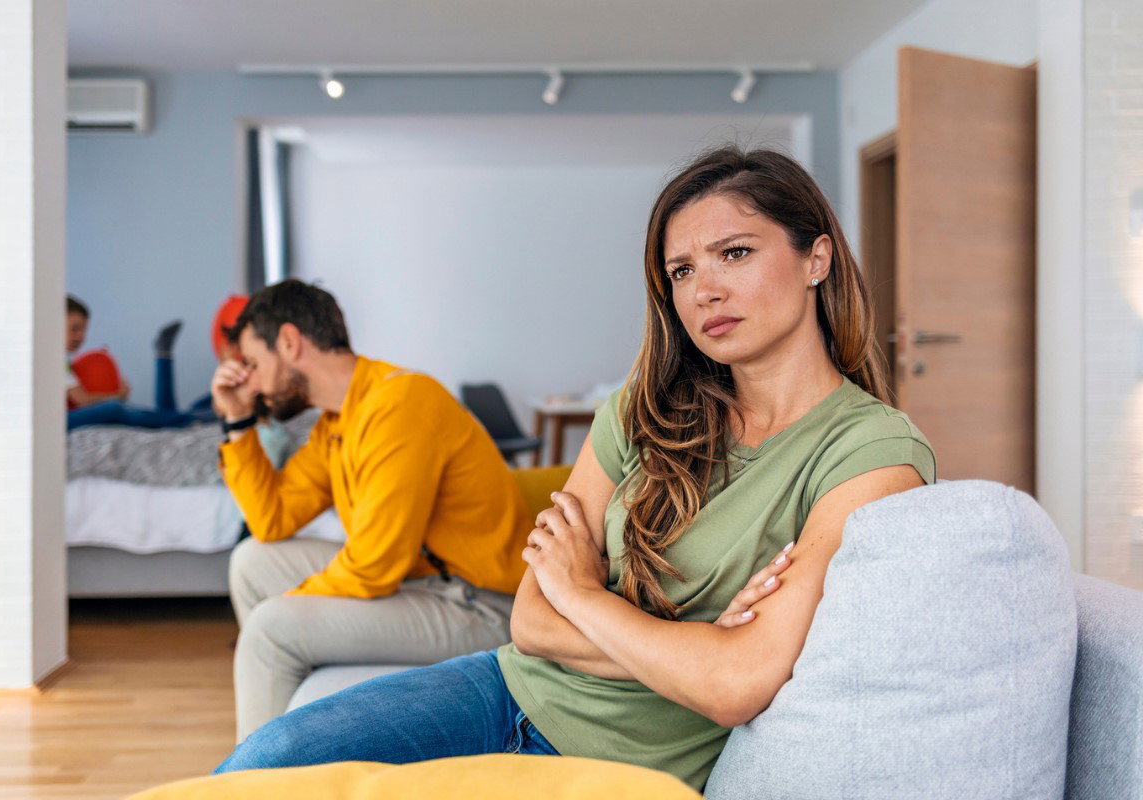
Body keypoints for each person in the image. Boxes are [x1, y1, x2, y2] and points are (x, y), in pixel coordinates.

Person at [213, 147, 936, 790]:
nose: (703, 290)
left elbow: (733, 684)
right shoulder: (639, 410)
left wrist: (585, 595)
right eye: (681, 270)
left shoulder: (870, 453)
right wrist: (692, 645)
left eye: (735, 253)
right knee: (260, 767)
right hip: (507, 686)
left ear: (818, 257)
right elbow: (531, 620)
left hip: (627, 760)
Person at [211, 279, 535, 741]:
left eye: (254, 364)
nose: (254, 383)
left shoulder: (399, 404)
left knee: (270, 629)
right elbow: (271, 520)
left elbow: (374, 566)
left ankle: (260, 778)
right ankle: (289, 739)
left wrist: (291, 607)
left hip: (480, 606)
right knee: (251, 563)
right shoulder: (338, 421)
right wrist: (238, 422)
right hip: (424, 582)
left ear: (289, 342)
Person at [65, 294, 199, 430]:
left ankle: (178, 418)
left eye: (84, 330)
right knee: (114, 409)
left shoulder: (63, 363)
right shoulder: (56, 364)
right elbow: (82, 401)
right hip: (61, 420)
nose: (80, 336)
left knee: (123, 409)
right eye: (74, 328)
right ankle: (188, 419)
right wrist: (117, 396)